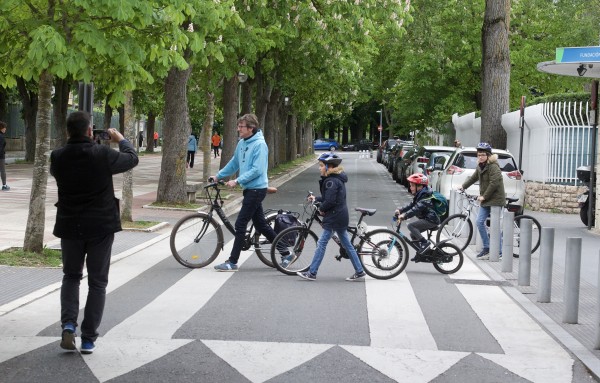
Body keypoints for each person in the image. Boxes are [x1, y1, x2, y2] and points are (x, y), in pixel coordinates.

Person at [50, 111, 138, 354]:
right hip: (100, 226)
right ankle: (88, 338)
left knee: (71, 276)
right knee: (97, 282)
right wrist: (120, 139)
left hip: (70, 226)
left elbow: (62, 173)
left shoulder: (57, 157)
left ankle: (68, 324)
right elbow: (131, 159)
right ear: (90, 131)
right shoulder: (102, 154)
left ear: (69, 131)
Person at [211, 114, 286, 271]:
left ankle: (232, 262)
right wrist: (218, 176)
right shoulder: (242, 143)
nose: (238, 129)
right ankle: (286, 253)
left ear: (251, 128)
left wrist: (237, 181)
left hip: (257, 189)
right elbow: (234, 163)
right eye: (238, 126)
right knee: (261, 225)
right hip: (249, 189)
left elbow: (257, 170)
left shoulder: (260, 145)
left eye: (241, 127)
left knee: (240, 223)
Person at [297, 153, 366, 281]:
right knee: (347, 244)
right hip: (340, 215)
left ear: (329, 167)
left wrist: (321, 209)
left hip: (335, 216)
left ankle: (312, 272)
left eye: (321, 165)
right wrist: (316, 199)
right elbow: (327, 197)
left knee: (322, 243)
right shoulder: (336, 179)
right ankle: (359, 270)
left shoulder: (331, 181)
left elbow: (329, 201)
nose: (319, 168)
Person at [458, 142, 505, 260]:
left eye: (483, 154)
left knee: (494, 226)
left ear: (488, 155)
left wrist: (484, 196)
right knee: (479, 222)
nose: (480, 157)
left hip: (495, 199)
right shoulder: (480, 166)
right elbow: (473, 178)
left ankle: (499, 251)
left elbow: (494, 183)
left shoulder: (493, 166)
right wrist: (463, 186)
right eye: (479, 154)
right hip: (486, 199)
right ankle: (487, 246)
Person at [394, 173, 440, 262]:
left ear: (419, 186)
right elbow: (412, 205)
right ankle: (421, 253)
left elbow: (416, 209)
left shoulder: (425, 197)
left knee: (411, 226)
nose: (410, 187)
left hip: (431, 220)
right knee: (413, 234)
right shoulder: (421, 195)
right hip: (428, 219)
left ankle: (425, 243)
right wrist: (401, 210)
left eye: (412, 185)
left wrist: (405, 215)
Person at [0, 121, 9, 191]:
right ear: (1, 128)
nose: (5, 129)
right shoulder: (1, 137)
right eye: (4, 128)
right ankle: (4, 185)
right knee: (3, 171)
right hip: (1, 156)